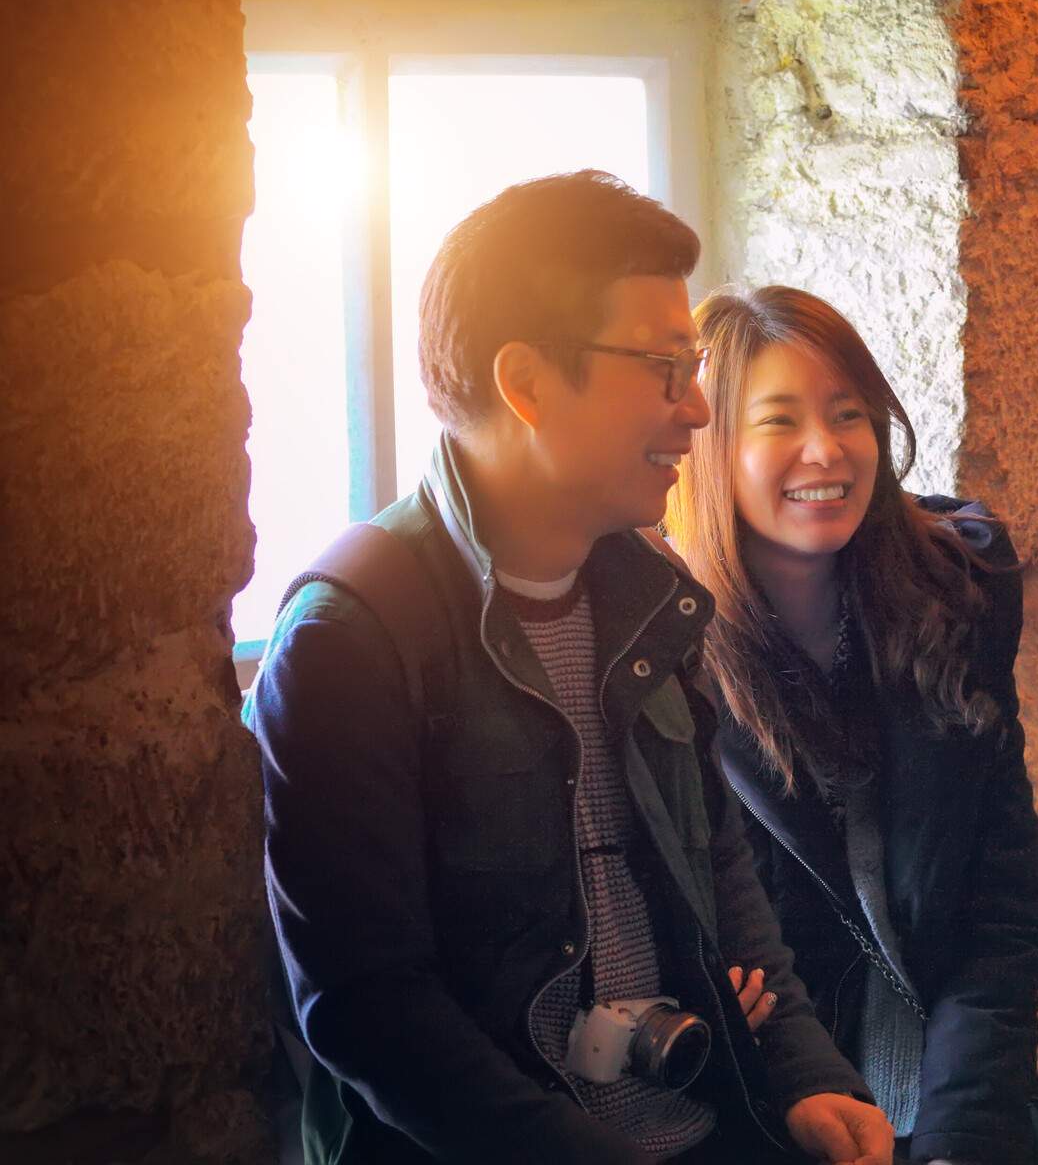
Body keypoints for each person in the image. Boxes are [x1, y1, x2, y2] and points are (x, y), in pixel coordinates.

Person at [245, 173, 892, 1165]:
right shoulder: (352, 638)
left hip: (708, 1126)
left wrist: (806, 1071)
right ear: (529, 382)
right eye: (664, 366)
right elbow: (369, 1010)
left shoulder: (653, 594)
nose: (698, 407)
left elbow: (720, 880)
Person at [664, 286, 1038, 1165]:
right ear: (707, 447)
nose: (826, 450)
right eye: (779, 421)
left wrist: (962, 1136)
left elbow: (1003, 907)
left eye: (850, 414)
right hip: (765, 1102)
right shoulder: (659, 644)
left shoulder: (957, 592)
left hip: (950, 1082)